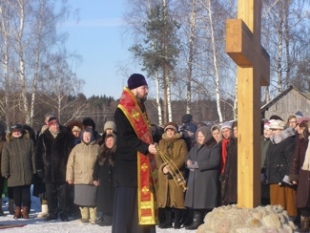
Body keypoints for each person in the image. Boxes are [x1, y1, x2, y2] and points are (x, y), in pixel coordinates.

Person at [112, 73, 158, 233]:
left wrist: (151, 144)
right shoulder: (122, 111)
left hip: (140, 170)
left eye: (147, 87)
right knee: (127, 214)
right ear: (134, 89)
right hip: (128, 171)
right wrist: (146, 148)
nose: (146, 91)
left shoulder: (141, 109)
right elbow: (126, 137)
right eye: (144, 87)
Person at [35, 117, 74, 221]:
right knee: (50, 194)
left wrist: (70, 168)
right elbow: (37, 154)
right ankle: (52, 213)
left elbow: (71, 153)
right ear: (49, 126)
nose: (56, 126)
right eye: (53, 125)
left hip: (63, 170)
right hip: (48, 170)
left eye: (57, 124)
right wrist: (39, 168)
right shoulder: (43, 137)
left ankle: (64, 213)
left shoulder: (66, 136)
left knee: (63, 194)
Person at [184, 126, 220, 230]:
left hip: (206, 178)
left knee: (205, 200)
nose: (200, 138)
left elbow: (214, 161)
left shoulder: (213, 146)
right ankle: (196, 220)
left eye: (202, 136)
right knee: (196, 201)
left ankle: (205, 221)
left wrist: (198, 164)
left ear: (207, 136)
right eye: (198, 136)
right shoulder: (195, 147)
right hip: (195, 178)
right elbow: (188, 156)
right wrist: (188, 162)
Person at [155, 122, 188, 229]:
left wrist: (171, 168)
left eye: (172, 130)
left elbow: (183, 157)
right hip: (163, 175)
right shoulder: (161, 142)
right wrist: (163, 167)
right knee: (166, 197)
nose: (170, 132)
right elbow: (157, 157)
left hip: (177, 174)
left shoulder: (181, 142)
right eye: (168, 130)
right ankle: (168, 220)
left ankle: (178, 220)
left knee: (178, 198)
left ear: (175, 131)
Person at [264, 119, 297, 218]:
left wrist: (288, 176)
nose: (273, 132)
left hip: (283, 179)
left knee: (287, 205)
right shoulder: (273, 142)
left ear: (282, 130)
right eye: (272, 130)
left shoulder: (288, 141)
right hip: (273, 177)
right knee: (276, 206)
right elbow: (268, 159)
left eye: (275, 130)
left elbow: (291, 160)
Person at [1, 124, 35, 219]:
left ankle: (25, 211)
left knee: (26, 193)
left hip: (26, 171)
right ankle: (17, 210)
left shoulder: (29, 142)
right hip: (13, 173)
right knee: (16, 194)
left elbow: (33, 157)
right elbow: (5, 159)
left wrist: (35, 169)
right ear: (11, 132)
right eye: (15, 131)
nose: (17, 132)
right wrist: (5, 172)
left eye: (18, 130)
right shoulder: (7, 144)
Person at [66, 128, 99, 224]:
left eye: (89, 136)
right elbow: (70, 164)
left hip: (93, 178)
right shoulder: (76, 148)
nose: (87, 138)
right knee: (82, 198)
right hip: (79, 177)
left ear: (92, 136)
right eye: (85, 136)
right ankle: (84, 216)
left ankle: (93, 217)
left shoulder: (97, 147)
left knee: (93, 199)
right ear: (82, 137)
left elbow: (101, 162)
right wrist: (69, 177)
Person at [34, 112, 56, 218]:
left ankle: (55, 209)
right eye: (48, 120)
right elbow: (37, 149)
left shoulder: (59, 130)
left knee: (54, 189)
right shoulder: (41, 132)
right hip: (43, 164)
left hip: (55, 164)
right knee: (43, 189)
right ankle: (44, 209)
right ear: (45, 121)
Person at [290, 121, 310, 232]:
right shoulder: (302, 142)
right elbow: (295, 160)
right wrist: (294, 176)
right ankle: (305, 226)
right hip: (304, 174)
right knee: (304, 203)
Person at [93, 133, 117, 226]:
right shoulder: (102, 152)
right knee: (104, 199)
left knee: (114, 199)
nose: (109, 142)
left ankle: (112, 216)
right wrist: (95, 178)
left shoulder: (118, 152)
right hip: (104, 180)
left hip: (115, 180)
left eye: (111, 140)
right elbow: (96, 166)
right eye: (107, 141)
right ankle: (106, 215)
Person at [221, 121, 237, 205]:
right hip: (226, 172)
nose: (225, 133)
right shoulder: (224, 143)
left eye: (227, 131)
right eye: (223, 132)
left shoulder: (233, 143)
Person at [260, 120, 272, 205]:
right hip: (259, 169)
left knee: (266, 193)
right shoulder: (260, 140)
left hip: (266, 170)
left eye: (268, 130)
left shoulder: (272, 142)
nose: (266, 132)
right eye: (265, 129)